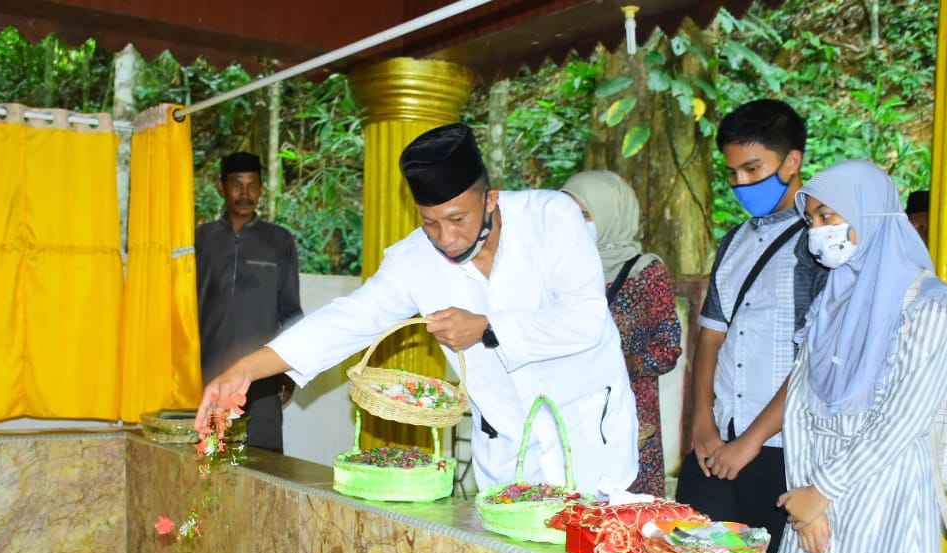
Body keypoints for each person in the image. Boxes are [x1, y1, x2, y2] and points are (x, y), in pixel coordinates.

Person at [195, 123, 637, 494]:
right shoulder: (413, 260)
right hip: (507, 447)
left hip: (587, 434)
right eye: (430, 222)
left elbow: (585, 321)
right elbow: (347, 321)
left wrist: (486, 327)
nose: (445, 238)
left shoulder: (553, 219)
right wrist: (247, 369)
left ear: (491, 199)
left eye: (458, 219)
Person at [774, 160, 947, 553]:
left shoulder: (926, 307)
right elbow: (800, 404)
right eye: (812, 220)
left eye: (828, 217)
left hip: (885, 497)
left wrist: (822, 490)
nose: (817, 231)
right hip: (811, 500)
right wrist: (806, 502)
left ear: (871, 215)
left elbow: (902, 420)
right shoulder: (830, 302)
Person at [674, 99, 828, 553]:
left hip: (782, 450)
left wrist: (752, 442)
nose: (741, 183)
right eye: (732, 172)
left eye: (752, 168)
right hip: (717, 440)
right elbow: (710, 337)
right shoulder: (735, 240)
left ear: (793, 161)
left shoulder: (819, 241)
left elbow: (814, 360)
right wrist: (703, 423)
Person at [561, 170, 681, 496]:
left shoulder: (645, 272)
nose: (574, 223)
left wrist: (620, 361)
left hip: (628, 421)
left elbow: (668, 347)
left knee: (621, 521)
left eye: (584, 214)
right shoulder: (561, 270)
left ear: (609, 213)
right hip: (570, 412)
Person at [195, 151, 302, 453]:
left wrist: (290, 369)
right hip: (208, 374)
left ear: (261, 188)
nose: (245, 193)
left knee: (263, 464)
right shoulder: (199, 240)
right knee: (207, 457)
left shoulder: (279, 241)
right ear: (220, 187)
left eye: (252, 185)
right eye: (237, 185)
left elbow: (291, 310)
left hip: (262, 381)